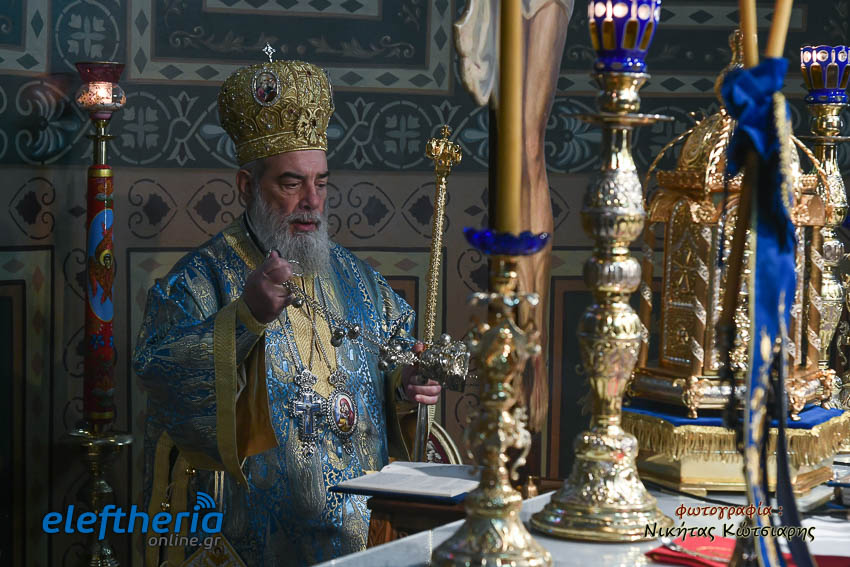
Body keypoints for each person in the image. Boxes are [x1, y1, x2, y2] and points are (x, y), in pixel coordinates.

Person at [133, 59, 441, 567]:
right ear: (246, 186)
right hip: (250, 544)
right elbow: (161, 375)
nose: (311, 202)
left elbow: (398, 368)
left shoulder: (361, 281)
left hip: (362, 543)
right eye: (291, 183)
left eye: (322, 183)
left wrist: (407, 389)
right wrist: (245, 319)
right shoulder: (199, 281)